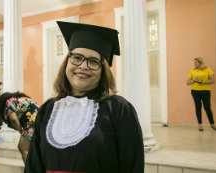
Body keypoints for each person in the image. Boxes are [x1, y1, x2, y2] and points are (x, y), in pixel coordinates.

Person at [24, 21, 144, 173]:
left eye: (93, 61)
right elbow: (34, 165)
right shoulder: (47, 109)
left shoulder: (119, 109)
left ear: (103, 70)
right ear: (67, 62)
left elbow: (132, 167)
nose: (83, 66)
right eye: (76, 58)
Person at [0, 92, 39, 164]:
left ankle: (30, 170)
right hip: (39, 120)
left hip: (31, 122)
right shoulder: (22, 99)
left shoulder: (8, 102)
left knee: (23, 148)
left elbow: (13, 119)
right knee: (33, 149)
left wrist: (21, 131)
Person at [187, 57, 216, 131]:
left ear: (200, 63)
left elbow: (213, 80)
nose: (194, 64)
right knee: (198, 107)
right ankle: (200, 125)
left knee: (207, 108)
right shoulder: (193, 71)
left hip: (206, 91)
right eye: (194, 62)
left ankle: (212, 124)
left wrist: (204, 82)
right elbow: (187, 83)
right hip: (195, 91)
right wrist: (194, 80)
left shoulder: (208, 69)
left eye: (196, 62)